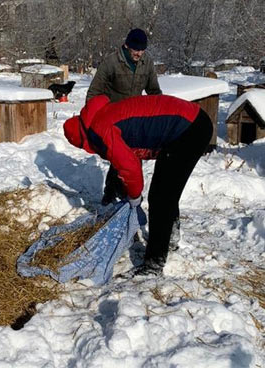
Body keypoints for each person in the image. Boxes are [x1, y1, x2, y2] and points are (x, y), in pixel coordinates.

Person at [63, 94, 212, 277]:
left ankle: (153, 265)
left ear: (82, 141)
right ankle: (169, 239)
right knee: (166, 190)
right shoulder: (102, 116)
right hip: (191, 122)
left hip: (189, 129)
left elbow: (129, 166)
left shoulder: (98, 129)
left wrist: (134, 197)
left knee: (161, 197)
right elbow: (128, 153)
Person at [86, 28, 162, 205]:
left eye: (142, 49)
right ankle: (111, 192)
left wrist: (159, 112)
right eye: (136, 49)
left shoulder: (147, 62)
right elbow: (95, 91)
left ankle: (128, 193)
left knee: (135, 157)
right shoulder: (112, 62)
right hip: (114, 118)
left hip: (136, 118)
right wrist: (91, 119)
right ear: (127, 46)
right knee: (119, 156)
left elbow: (154, 91)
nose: (139, 53)